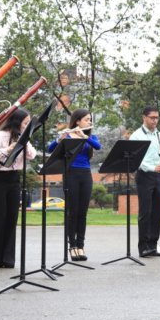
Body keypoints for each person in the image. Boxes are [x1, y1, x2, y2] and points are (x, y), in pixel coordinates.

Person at [0, 109, 36, 268]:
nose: (27, 125)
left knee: (11, 218)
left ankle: (7, 259)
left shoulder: (23, 137)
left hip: (14, 179)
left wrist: (24, 144)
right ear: (17, 121)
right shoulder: (0, 135)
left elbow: (32, 155)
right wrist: (8, 149)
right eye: (25, 122)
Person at [48, 109, 101, 261]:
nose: (89, 122)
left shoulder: (90, 136)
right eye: (86, 119)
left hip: (85, 174)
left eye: (90, 119)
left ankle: (80, 246)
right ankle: (72, 247)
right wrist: (60, 138)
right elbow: (50, 149)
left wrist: (84, 136)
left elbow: (97, 146)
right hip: (70, 173)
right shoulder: (68, 135)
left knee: (83, 212)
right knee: (73, 212)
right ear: (77, 121)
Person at [129, 106, 160, 258]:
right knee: (146, 212)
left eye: (157, 117)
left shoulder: (159, 135)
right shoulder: (136, 136)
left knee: (158, 211)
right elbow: (136, 159)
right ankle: (143, 247)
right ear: (144, 118)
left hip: (158, 176)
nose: (155, 120)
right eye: (152, 117)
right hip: (145, 175)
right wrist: (152, 167)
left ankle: (153, 245)